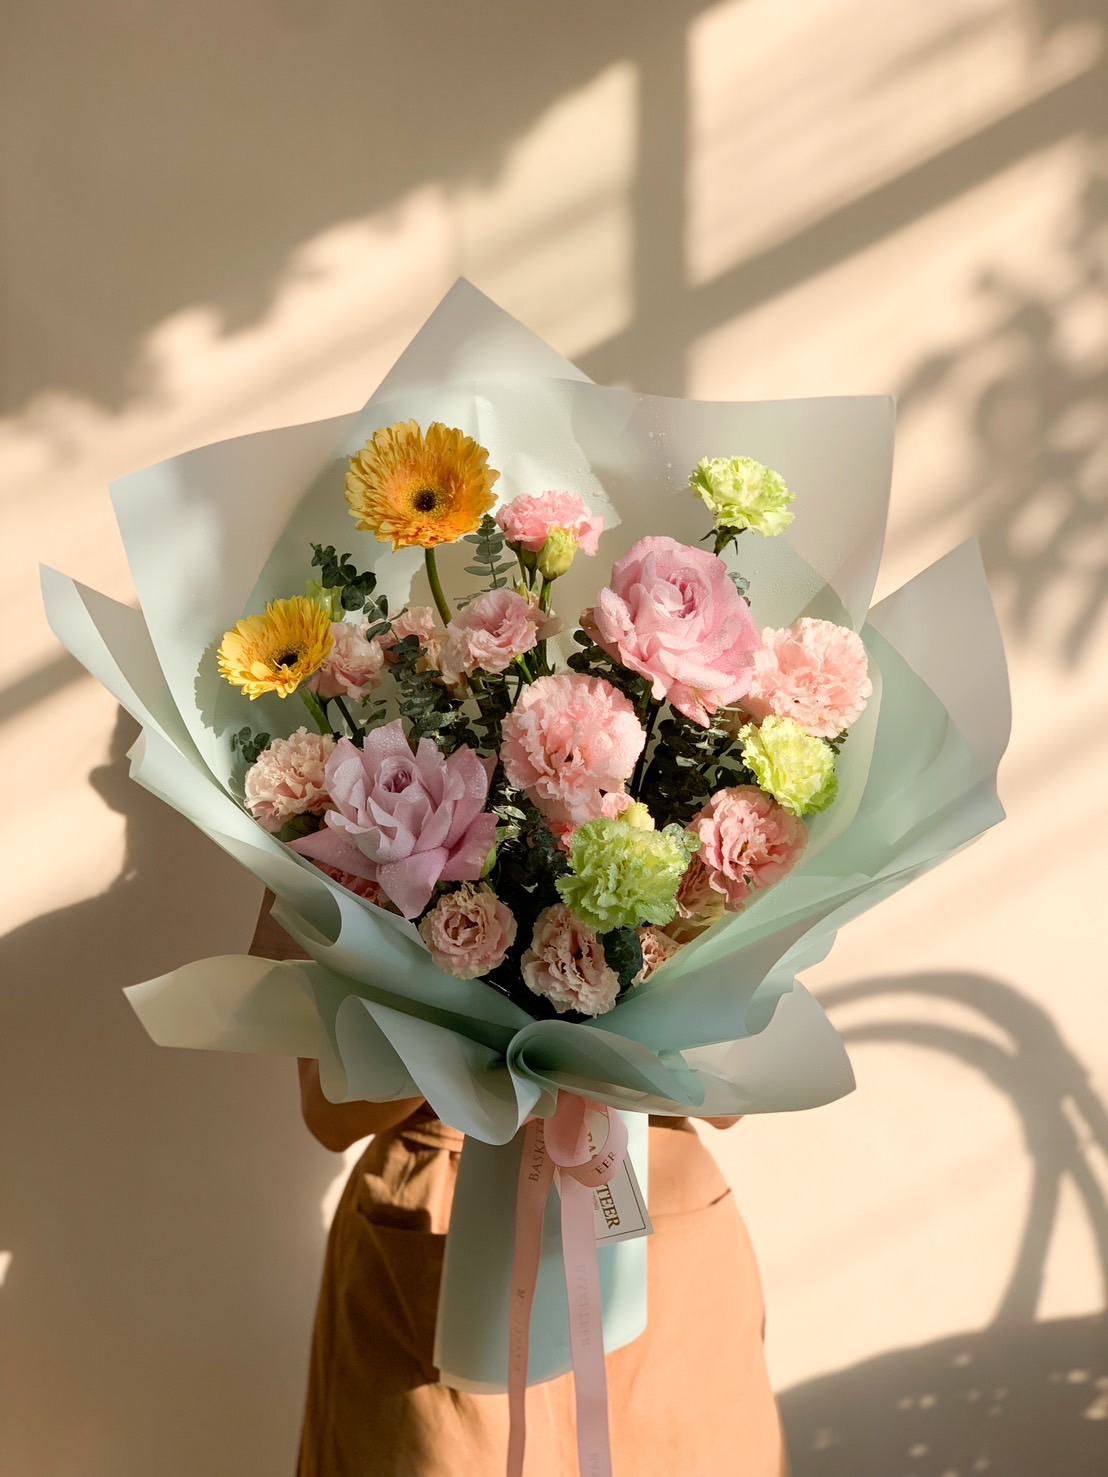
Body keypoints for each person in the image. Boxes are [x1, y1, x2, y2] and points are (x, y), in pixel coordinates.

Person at [251, 892, 789, 1476]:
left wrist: (624, 1002)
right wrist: (469, 1027)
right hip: (434, 1236)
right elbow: (326, 1114)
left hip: (649, 1212)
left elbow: (730, 1100)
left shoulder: (725, 819)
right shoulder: (336, 814)